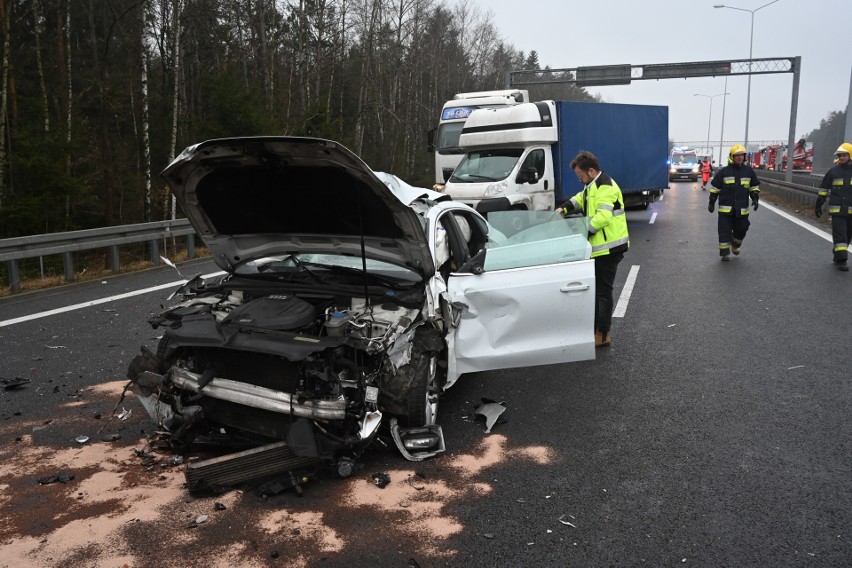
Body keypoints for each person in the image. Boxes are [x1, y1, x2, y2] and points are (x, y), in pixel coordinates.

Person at [557, 151, 629, 347]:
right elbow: (580, 199)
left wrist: (582, 231)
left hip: (610, 248)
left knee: (603, 292)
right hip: (600, 248)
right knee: (597, 291)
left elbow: (603, 217)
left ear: (591, 171)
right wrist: (563, 208)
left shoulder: (606, 187)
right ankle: (597, 328)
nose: (579, 180)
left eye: (580, 176)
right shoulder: (592, 186)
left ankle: (604, 334)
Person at [708, 145, 760, 261]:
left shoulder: (749, 171)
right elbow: (715, 188)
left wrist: (755, 198)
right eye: (737, 155)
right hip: (725, 211)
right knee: (724, 231)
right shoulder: (724, 172)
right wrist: (711, 202)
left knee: (742, 228)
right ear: (732, 157)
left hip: (742, 210)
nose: (740, 157)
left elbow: (753, 187)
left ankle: (736, 245)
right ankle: (725, 253)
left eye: (742, 155)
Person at [815, 142, 852, 271]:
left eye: (844, 155)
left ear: (850, 155)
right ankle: (842, 260)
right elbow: (824, 188)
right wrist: (819, 202)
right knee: (840, 234)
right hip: (837, 210)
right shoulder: (833, 171)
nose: (841, 157)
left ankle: (838, 255)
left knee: (847, 235)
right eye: (840, 155)